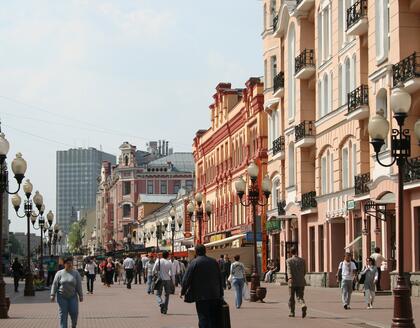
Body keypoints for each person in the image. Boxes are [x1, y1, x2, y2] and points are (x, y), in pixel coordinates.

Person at [181, 244, 223, 328]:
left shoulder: (194, 262)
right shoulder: (213, 261)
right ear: (205, 251)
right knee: (213, 318)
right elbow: (220, 277)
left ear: (196, 252)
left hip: (201, 296)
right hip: (215, 294)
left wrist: (183, 292)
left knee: (203, 317)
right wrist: (221, 293)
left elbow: (186, 279)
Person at [50, 257, 83, 328]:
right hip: (62, 296)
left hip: (73, 296)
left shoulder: (75, 273)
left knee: (74, 313)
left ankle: (73, 325)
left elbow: (79, 285)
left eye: (71, 263)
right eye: (68, 263)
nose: (70, 265)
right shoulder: (59, 273)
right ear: (64, 264)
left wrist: (80, 295)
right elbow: (55, 284)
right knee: (63, 314)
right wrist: (52, 294)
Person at [286, 247, 307, 318]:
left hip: (292, 282)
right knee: (300, 297)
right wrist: (301, 277)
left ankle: (292, 312)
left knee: (291, 297)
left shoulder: (289, 260)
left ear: (291, 253)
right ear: (296, 252)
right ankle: (303, 304)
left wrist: (290, 277)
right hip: (301, 281)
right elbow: (304, 271)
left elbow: (289, 270)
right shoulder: (302, 260)